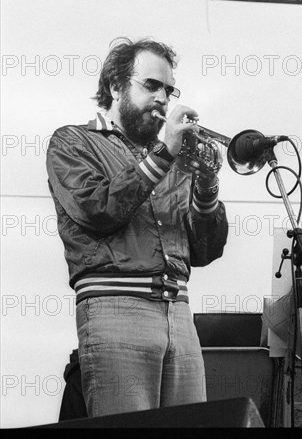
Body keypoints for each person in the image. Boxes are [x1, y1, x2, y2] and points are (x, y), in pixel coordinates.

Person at [46, 37, 228, 418]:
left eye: (168, 88)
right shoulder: (73, 141)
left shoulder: (173, 161)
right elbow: (97, 210)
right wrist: (164, 155)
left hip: (179, 311)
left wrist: (208, 187)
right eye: (151, 85)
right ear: (115, 87)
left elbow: (205, 251)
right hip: (116, 307)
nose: (163, 98)